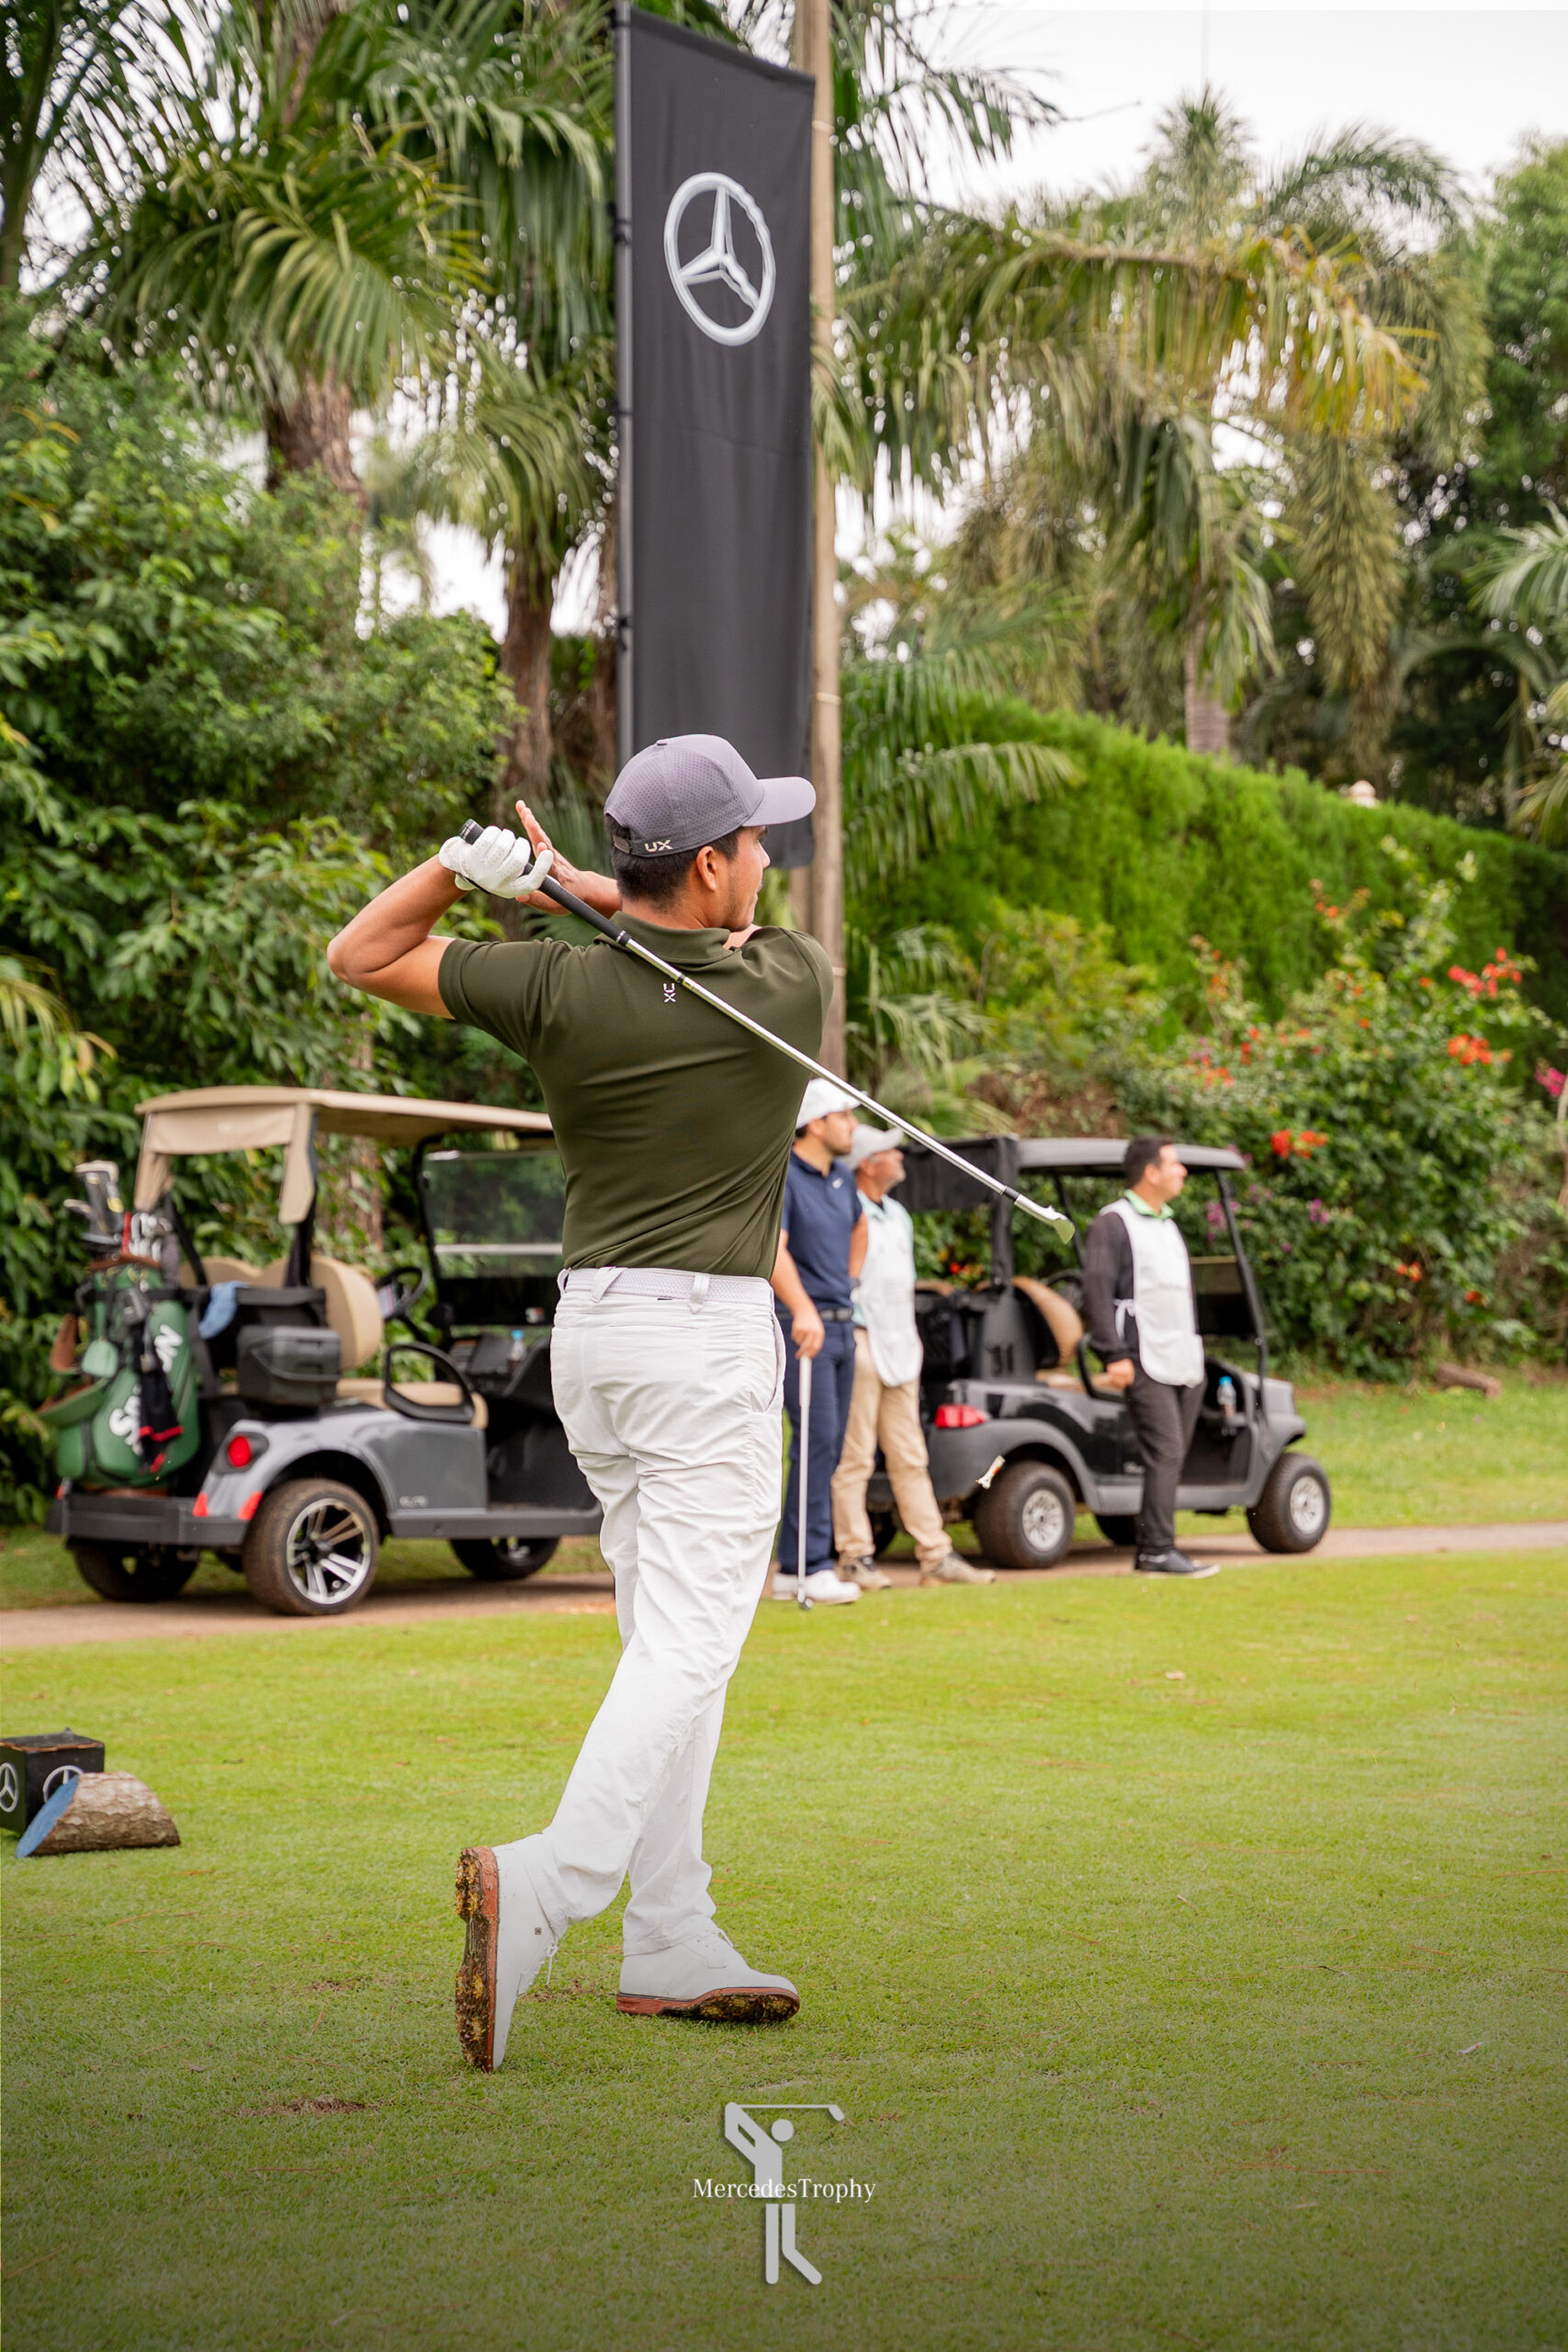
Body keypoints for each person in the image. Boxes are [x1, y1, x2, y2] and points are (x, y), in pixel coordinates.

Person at [327, 734, 829, 2069]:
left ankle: (672, 1933)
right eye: (755, 843)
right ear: (712, 863)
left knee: (670, 1644)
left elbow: (359, 957)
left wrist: (463, 872)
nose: (769, 860)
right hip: (705, 1348)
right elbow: (670, 938)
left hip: (594, 1338)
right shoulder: (787, 982)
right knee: (690, 1645)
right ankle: (553, 1884)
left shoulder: (553, 991)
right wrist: (565, 886)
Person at [831, 1125, 996, 1589]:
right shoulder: (846, 1207)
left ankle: (935, 1555)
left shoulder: (899, 1214)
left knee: (910, 1455)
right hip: (862, 1337)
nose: (900, 1156)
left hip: (902, 1343)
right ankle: (854, 1555)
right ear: (867, 1164)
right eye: (890, 1151)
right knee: (856, 1455)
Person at [1082, 1136, 1219, 1578]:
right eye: (1174, 1164)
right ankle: (1157, 1550)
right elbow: (1097, 1293)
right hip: (1141, 1357)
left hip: (1179, 1356)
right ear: (1151, 1172)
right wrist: (1112, 1353)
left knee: (1171, 1454)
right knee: (1166, 1449)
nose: (1182, 1172)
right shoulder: (1113, 1223)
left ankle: (1156, 1546)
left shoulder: (1167, 1224)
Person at [768, 1078, 866, 1604]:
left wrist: (848, 1284)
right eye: (846, 1117)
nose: (852, 1127)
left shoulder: (842, 1179)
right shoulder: (785, 1178)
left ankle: (799, 1564)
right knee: (814, 1443)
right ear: (817, 1122)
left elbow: (859, 1230)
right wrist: (803, 1307)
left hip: (841, 1322)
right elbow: (774, 1251)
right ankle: (806, 1565)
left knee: (829, 1448)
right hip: (801, 1328)